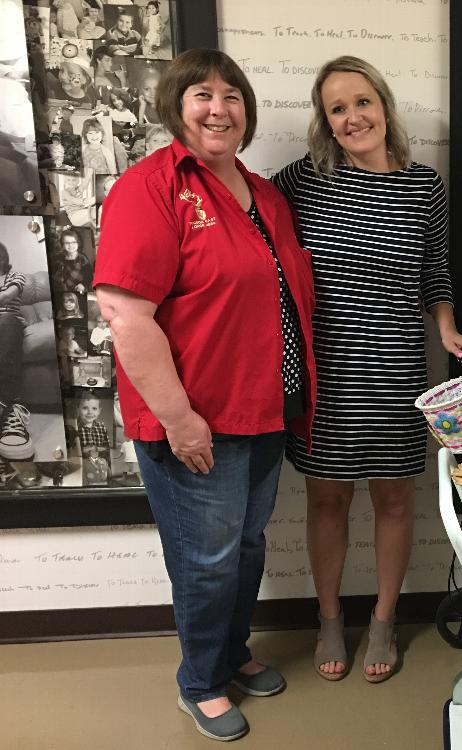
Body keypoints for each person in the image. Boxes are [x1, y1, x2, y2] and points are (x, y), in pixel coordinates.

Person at [94, 48, 317, 742]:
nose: (219, 108)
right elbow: (126, 316)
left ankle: (230, 652)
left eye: (232, 96)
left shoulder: (266, 195)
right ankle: (198, 680)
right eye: (202, 95)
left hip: (263, 409)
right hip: (196, 421)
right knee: (207, 558)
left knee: (245, 547)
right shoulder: (150, 187)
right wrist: (179, 419)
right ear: (176, 106)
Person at [272, 55, 462, 685]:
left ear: (384, 106)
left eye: (361, 102)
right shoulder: (301, 182)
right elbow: (247, 221)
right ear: (326, 122)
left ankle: (386, 619)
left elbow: (435, 271)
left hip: (395, 364)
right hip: (327, 370)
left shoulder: (425, 185)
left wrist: (445, 330)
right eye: (337, 108)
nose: (352, 116)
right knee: (327, 500)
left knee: (395, 500)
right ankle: (331, 618)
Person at [0, 241, 34, 461]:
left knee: (5, 322)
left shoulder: (16, 276)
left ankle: (4, 404)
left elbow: (7, 296)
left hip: (8, 321)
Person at [51, 227, 93, 296]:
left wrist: (83, 284)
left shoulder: (82, 259)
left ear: (78, 243)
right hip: (64, 288)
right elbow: (58, 272)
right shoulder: (61, 257)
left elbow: (89, 275)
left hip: (77, 288)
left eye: (73, 242)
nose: (71, 245)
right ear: (63, 245)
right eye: (67, 243)